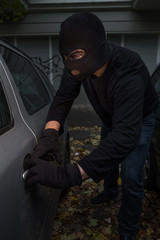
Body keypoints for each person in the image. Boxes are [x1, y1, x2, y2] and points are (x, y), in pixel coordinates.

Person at [24, 12, 158, 240]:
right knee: (106, 157)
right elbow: (63, 99)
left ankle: (127, 230)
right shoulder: (76, 67)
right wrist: (49, 135)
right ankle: (109, 192)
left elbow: (125, 136)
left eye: (75, 54)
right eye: (65, 56)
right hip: (110, 119)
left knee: (131, 175)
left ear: (95, 48)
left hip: (139, 120)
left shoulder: (128, 70)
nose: (70, 62)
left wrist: (70, 175)